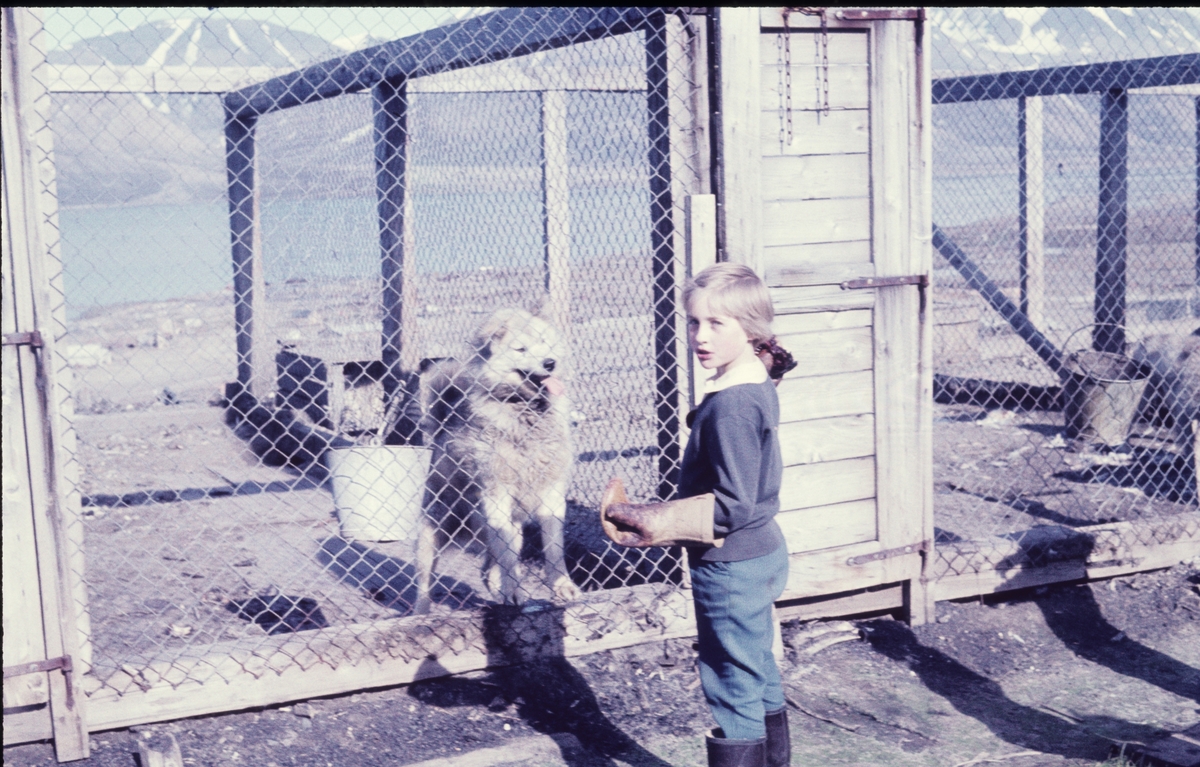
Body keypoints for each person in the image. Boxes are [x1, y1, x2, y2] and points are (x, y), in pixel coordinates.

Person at [601, 263, 792, 767]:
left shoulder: (731, 405)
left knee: (732, 682)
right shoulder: (753, 380)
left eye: (716, 324)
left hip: (730, 566)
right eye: (693, 322)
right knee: (755, 666)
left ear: (750, 331)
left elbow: (732, 505)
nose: (700, 336)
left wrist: (653, 519)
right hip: (761, 553)